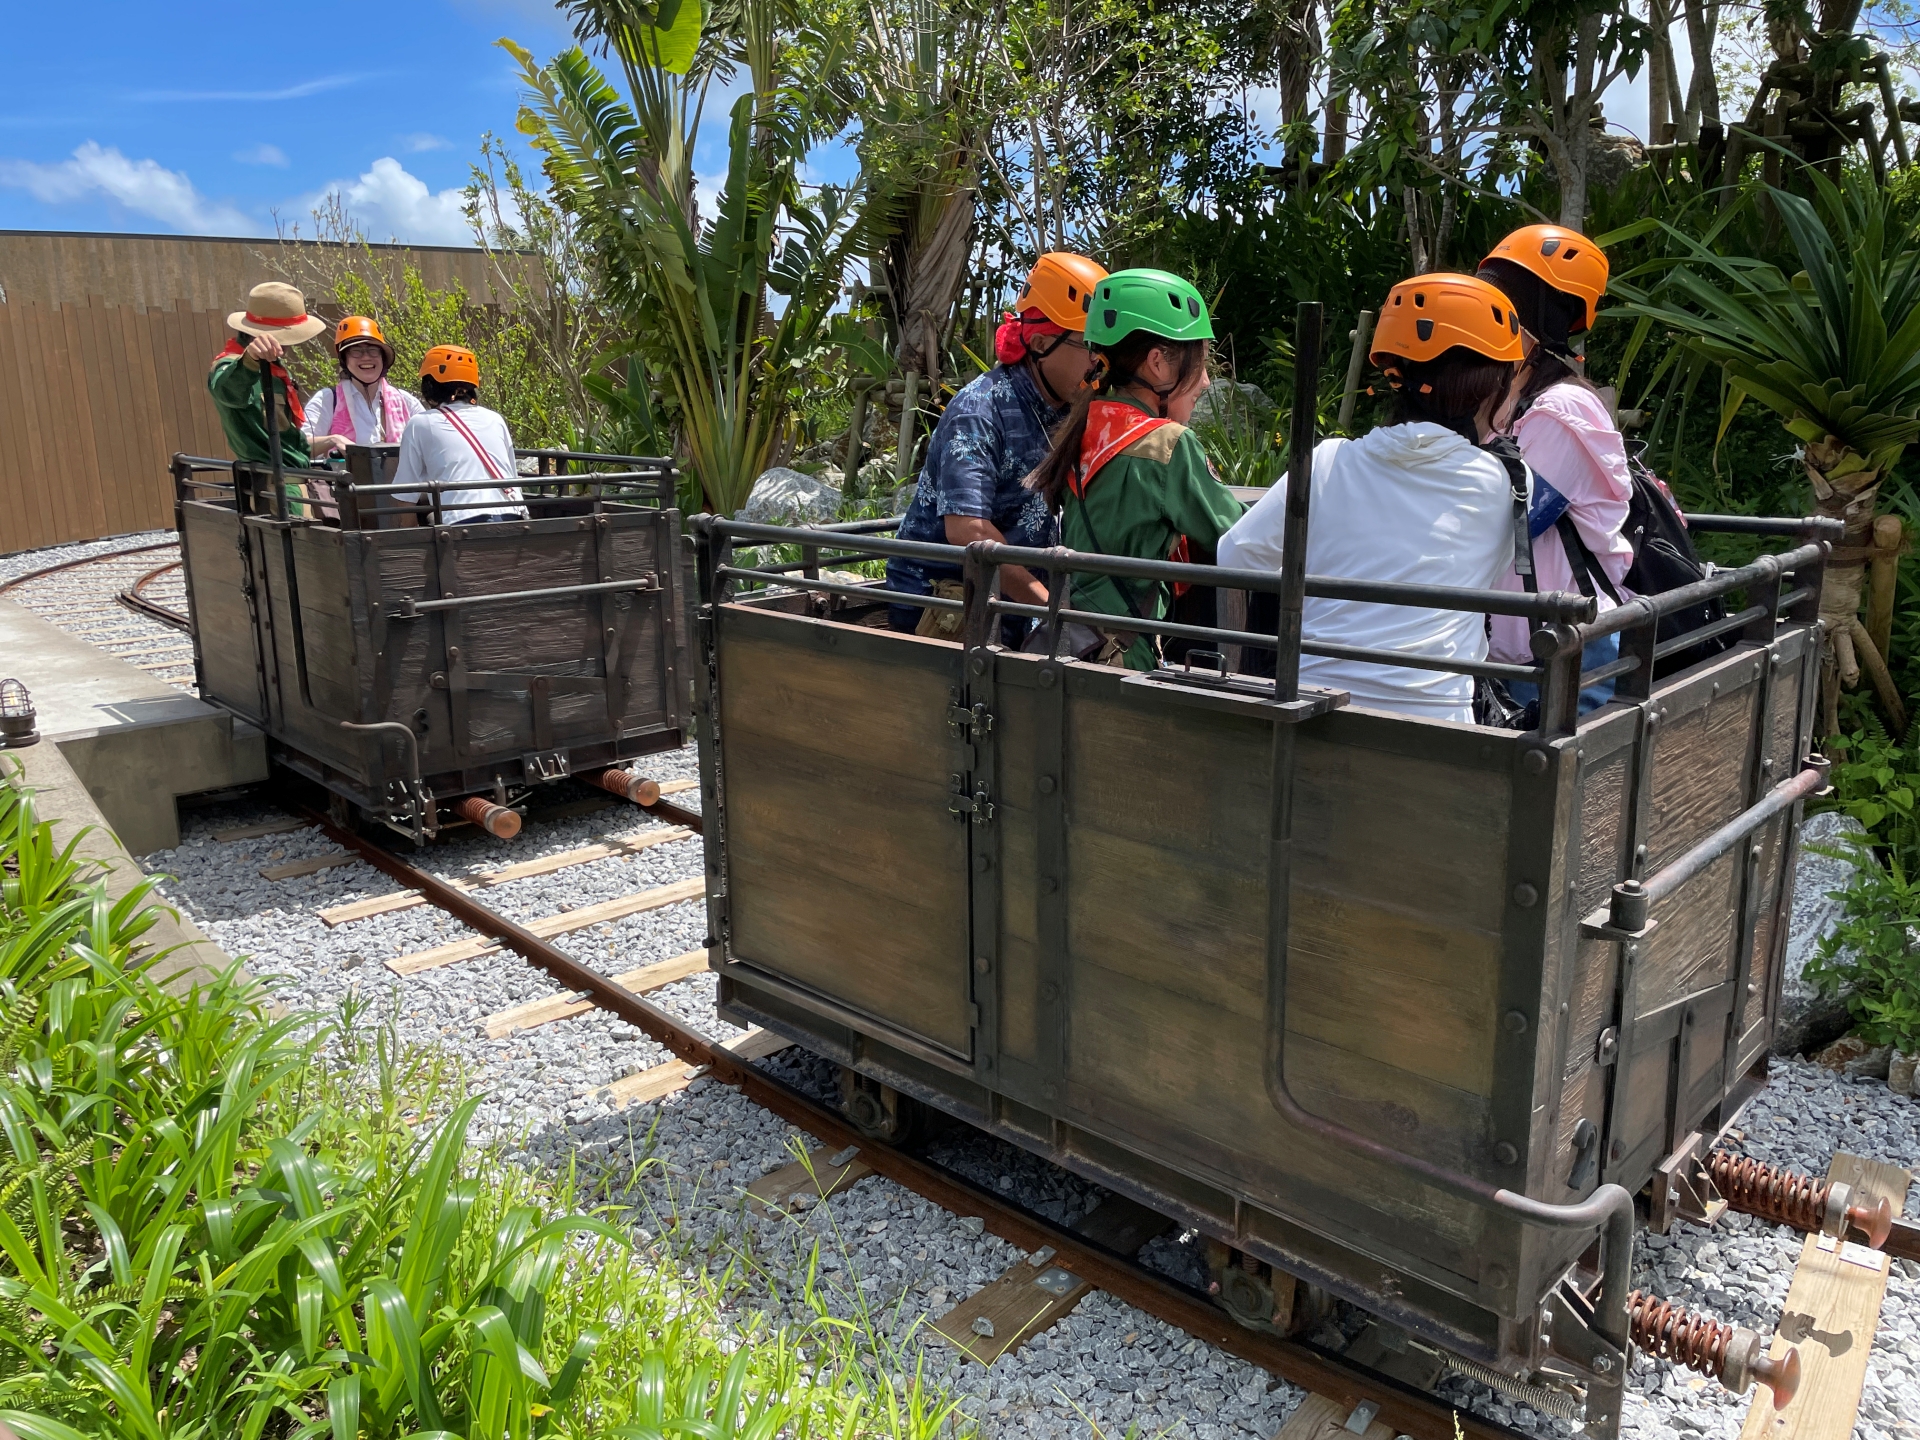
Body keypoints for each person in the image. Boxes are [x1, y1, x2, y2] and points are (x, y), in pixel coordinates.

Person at [1215, 273, 1527, 722]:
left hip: (1315, 714)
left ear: (1393, 372)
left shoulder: (1325, 462)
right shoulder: (1508, 484)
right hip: (1439, 724)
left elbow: (1235, 553)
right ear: (1492, 386)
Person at [1023, 268, 1243, 669]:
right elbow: (1237, 537)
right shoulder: (1166, 445)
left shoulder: (1082, 430)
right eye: (1201, 362)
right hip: (1125, 656)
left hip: (1074, 643)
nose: (1206, 381)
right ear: (1158, 363)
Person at [885, 252, 1110, 637]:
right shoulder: (980, 410)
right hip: (944, 603)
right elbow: (967, 530)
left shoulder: (1067, 405)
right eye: (1088, 344)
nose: (1098, 360)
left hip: (1013, 602)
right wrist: (1054, 608)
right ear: (1040, 342)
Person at [1478, 225, 1632, 715]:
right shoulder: (1514, 400)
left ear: (1541, 310)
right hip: (1515, 651)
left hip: (1565, 654)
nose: (1489, 310)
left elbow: (1506, 523)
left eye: (1504, 295)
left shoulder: (1560, 409)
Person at [207, 281, 326, 512]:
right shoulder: (234, 365)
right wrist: (250, 360)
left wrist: (332, 440)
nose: (290, 345)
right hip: (277, 492)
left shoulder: (273, 368)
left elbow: (286, 441)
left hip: (293, 483)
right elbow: (227, 390)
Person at [390, 345, 528, 525]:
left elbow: (406, 495)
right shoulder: (495, 419)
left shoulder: (420, 423)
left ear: (429, 388)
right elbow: (511, 476)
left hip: (462, 525)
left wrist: (407, 545)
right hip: (513, 517)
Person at [304, 315, 425, 456]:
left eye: (373, 350)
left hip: (401, 478)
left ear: (382, 358)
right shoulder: (328, 399)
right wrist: (333, 440)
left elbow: (432, 441)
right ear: (345, 360)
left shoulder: (405, 401)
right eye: (356, 351)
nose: (366, 357)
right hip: (345, 478)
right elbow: (300, 446)